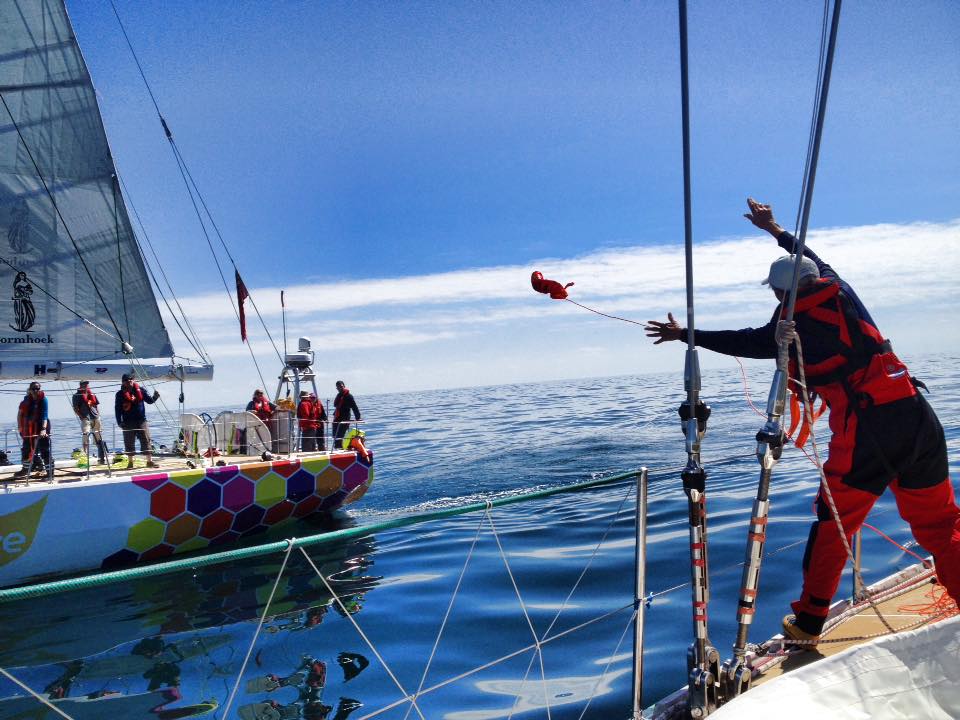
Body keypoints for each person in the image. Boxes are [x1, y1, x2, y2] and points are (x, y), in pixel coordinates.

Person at [644, 197, 960, 646]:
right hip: (916, 414)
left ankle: (809, 621)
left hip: (867, 431)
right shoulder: (841, 289)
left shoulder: (787, 330)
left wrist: (683, 335)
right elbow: (810, 256)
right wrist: (774, 229)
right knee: (942, 525)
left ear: (778, 294)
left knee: (833, 524)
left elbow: (743, 341)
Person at [115, 373, 160, 469]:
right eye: (126, 380)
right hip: (127, 422)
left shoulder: (141, 390)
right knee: (129, 442)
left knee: (146, 440)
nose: (129, 381)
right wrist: (119, 422)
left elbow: (149, 401)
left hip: (141, 420)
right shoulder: (119, 394)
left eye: (131, 379)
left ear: (133, 380)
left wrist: (155, 397)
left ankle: (149, 462)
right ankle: (130, 463)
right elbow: (117, 409)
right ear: (123, 382)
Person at [13, 381, 51, 478]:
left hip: (42, 426)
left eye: (37, 389)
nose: (35, 391)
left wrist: (43, 429)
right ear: (30, 390)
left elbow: (45, 415)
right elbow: (19, 415)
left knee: (44, 450)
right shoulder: (25, 402)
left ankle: (50, 472)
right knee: (26, 449)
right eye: (33, 389)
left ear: (40, 389)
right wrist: (20, 427)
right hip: (28, 428)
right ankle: (25, 470)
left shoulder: (44, 400)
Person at [72, 380, 108, 464]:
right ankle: (85, 454)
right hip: (86, 418)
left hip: (95, 417)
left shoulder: (92, 394)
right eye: (84, 384)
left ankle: (101, 456)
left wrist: (98, 415)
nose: (86, 386)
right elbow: (75, 408)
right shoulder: (76, 396)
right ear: (80, 385)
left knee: (98, 436)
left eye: (87, 384)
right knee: (86, 434)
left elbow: (96, 405)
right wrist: (81, 416)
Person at [332, 380, 361, 449]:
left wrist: (358, 417)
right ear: (337, 388)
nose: (340, 388)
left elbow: (354, 407)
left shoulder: (349, 396)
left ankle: (339, 447)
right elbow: (335, 405)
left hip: (345, 417)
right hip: (337, 417)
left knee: (340, 434)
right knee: (335, 433)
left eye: (341, 386)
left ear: (344, 386)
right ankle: (337, 447)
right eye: (338, 387)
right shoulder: (339, 395)